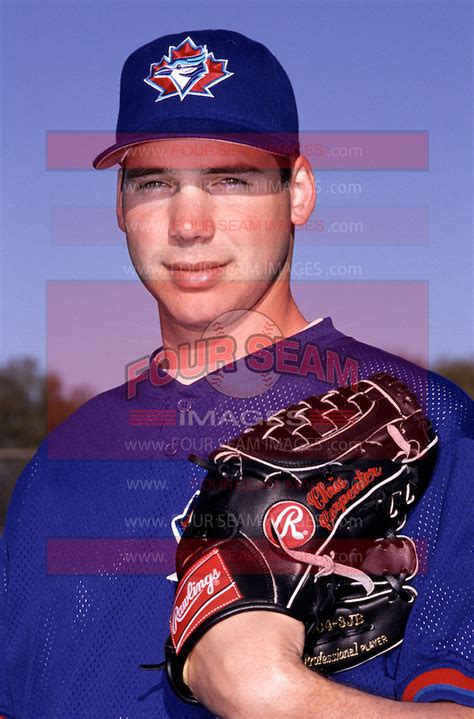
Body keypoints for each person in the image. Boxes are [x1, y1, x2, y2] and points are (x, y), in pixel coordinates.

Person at [0, 28, 472, 719]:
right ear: (121, 208)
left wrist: (282, 697)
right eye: (155, 182)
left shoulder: (423, 419)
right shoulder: (61, 459)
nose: (189, 223)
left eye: (231, 179)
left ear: (298, 192)